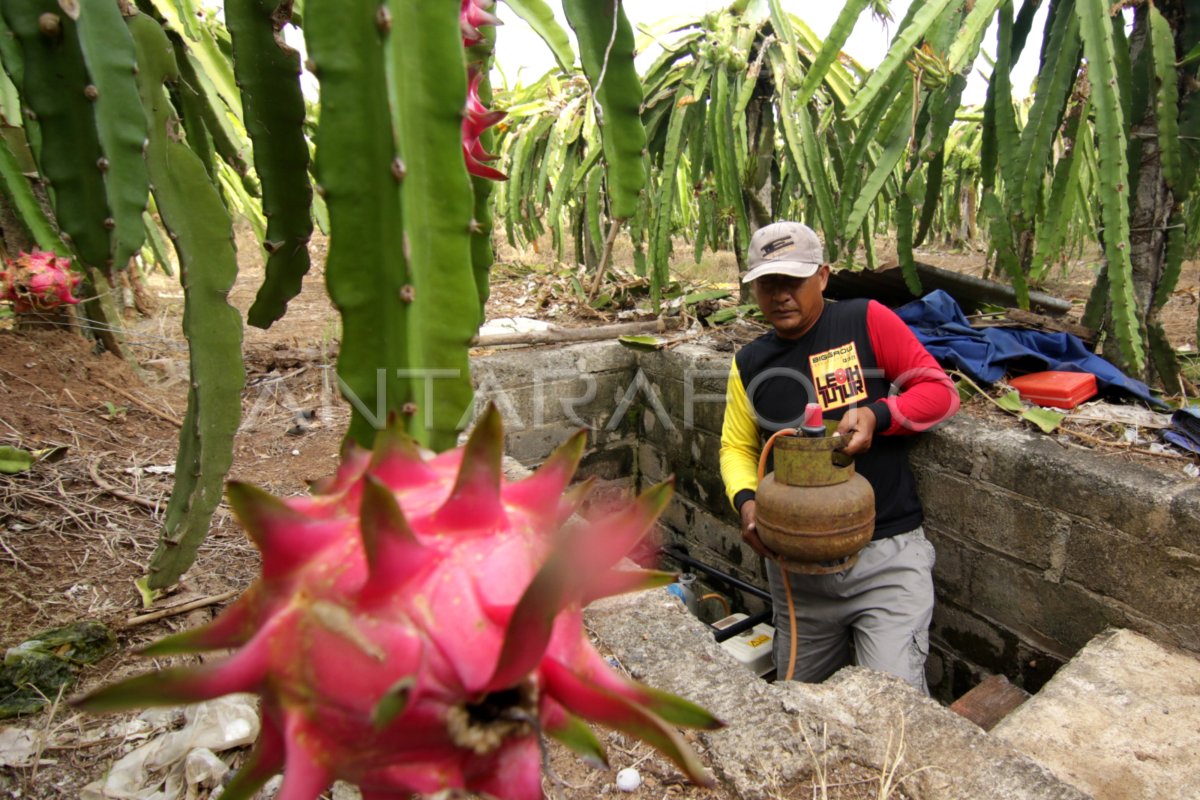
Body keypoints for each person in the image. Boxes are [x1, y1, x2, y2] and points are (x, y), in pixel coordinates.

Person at [719, 221, 959, 693]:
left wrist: (878, 414)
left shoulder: (864, 320)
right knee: (798, 704)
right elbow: (738, 446)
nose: (780, 295)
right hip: (797, 572)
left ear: (823, 277)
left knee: (892, 707)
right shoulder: (750, 364)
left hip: (884, 559)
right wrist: (746, 502)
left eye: (793, 280)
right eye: (767, 283)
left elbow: (940, 394)